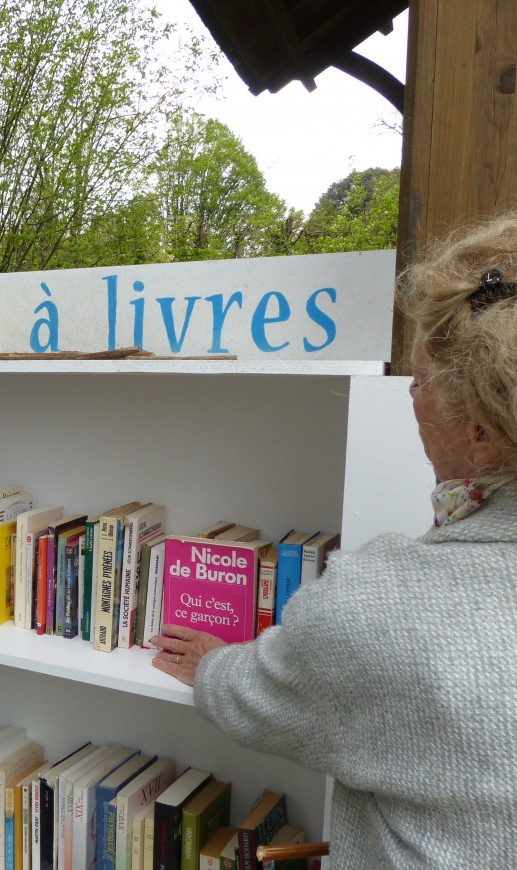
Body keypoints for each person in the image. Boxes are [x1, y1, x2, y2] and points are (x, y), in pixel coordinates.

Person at [151, 212, 517, 868]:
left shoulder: (386, 603)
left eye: (421, 382)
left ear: (483, 430)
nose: (410, 398)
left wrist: (211, 665)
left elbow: (256, 696)